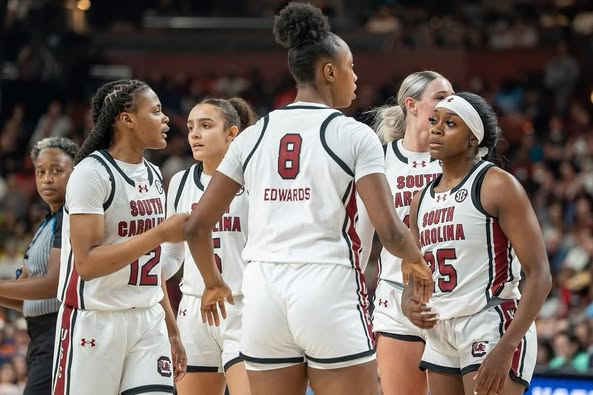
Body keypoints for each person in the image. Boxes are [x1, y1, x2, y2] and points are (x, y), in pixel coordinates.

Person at [184, 3, 433, 395]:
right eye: (350, 66)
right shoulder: (354, 135)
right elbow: (390, 231)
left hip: (263, 295)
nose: (355, 75)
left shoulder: (251, 136)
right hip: (327, 287)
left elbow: (196, 224)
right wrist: (416, 259)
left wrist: (213, 283)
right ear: (329, 71)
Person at [404, 92, 552, 395]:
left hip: (491, 322)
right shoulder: (420, 199)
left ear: (473, 138)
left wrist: (508, 345)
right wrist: (409, 301)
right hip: (440, 328)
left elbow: (540, 275)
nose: (436, 128)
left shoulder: (497, 184)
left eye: (450, 124)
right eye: (434, 121)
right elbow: (415, 271)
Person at [52, 79, 189, 395]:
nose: (166, 119)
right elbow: (86, 264)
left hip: (147, 319)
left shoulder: (154, 174)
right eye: (155, 111)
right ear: (127, 119)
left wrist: (171, 329)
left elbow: (151, 267)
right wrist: (159, 234)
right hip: (94, 321)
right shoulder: (91, 174)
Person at [363, 71, 454, 395]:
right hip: (395, 296)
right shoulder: (378, 160)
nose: (451, 104)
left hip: (452, 297)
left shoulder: (456, 161)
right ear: (412, 105)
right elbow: (360, 239)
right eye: (441, 97)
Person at [165, 97, 256, 395]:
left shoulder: (253, 178)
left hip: (242, 304)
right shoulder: (180, 181)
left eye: (206, 126)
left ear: (231, 133)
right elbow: (171, 257)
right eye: (191, 127)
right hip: (193, 308)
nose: (194, 134)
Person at [0, 137, 77, 395]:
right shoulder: (46, 223)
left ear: (74, 173)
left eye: (57, 170)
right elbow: (24, 299)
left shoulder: (69, 216)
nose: (47, 178)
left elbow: (53, 284)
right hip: (39, 335)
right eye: (41, 171)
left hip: (59, 331)